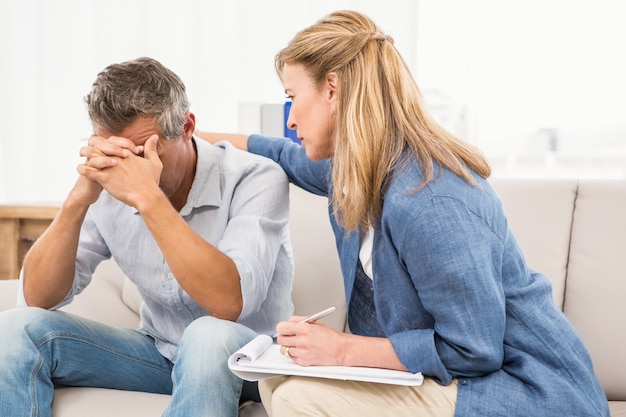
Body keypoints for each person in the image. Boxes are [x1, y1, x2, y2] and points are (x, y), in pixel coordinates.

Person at [197, 10, 610, 417]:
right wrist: (183, 138)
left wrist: (340, 349)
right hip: (459, 381)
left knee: (298, 398)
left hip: (522, 390)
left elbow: (474, 349)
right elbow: (280, 153)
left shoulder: (431, 200)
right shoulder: (354, 172)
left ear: (332, 90)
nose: (289, 117)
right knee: (278, 378)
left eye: (292, 97)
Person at [0, 57, 294, 417]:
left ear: (187, 127)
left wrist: (149, 199)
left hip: (250, 360)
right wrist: (78, 200)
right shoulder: (109, 183)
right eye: (116, 152)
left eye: (143, 151)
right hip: (159, 352)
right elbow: (36, 298)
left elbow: (228, 303)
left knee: (207, 336)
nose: (130, 167)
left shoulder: (256, 178)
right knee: (13, 328)